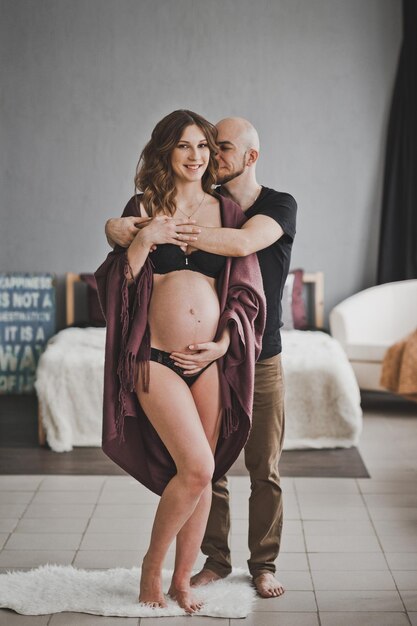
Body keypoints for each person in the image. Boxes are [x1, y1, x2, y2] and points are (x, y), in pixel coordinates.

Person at [105, 116, 297, 599]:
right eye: (185, 147)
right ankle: (153, 570)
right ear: (167, 152)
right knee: (193, 468)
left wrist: (224, 344)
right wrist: (144, 237)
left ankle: (180, 580)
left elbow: (244, 290)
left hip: (211, 359)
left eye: (204, 147)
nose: (196, 155)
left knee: (208, 473)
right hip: (157, 357)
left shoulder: (230, 212)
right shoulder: (143, 209)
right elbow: (117, 289)